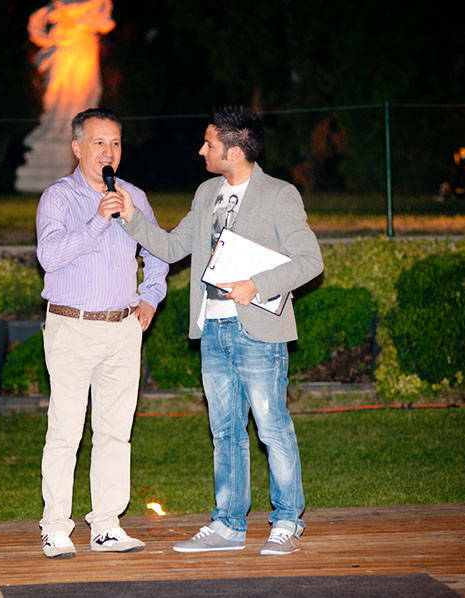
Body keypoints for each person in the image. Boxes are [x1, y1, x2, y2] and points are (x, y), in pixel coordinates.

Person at [113, 105, 323, 556]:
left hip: (259, 330)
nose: (201, 150)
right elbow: (172, 246)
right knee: (225, 431)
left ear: (234, 150)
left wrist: (257, 284)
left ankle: (287, 521)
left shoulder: (279, 194)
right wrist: (132, 217)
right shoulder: (207, 192)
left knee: (271, 428)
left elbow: (310, 261)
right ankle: (228, 525)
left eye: (209, 144)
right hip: (213, 328)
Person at [35, 107, 168, 558]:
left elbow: (158, 252)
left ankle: (106, 525)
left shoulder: (134, 196)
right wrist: (98, 220)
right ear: (77, 148)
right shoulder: (58, 197)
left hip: (122, 328)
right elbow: (50, 256)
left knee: (115, 431)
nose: (108, 152)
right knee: (66, 431)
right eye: (98, 143)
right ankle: (55, 526)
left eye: (114, 143)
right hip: (72, 326)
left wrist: (150, 296)